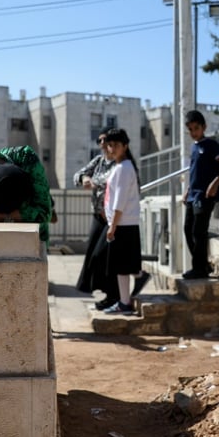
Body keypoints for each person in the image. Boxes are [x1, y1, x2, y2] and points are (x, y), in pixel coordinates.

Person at [96, 128, 148, 315]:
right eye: (109, 145)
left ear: (125, 146)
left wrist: (113, 226)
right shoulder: (120, 167)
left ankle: (124, 302)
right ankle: (126, 299)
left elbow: (120, 201)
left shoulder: (124, 168)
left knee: (121, 267)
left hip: (123, 223)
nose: (111, 149)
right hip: (122, 223)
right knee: (122, 266)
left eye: (116, 145)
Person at [74, 132, 118, 310]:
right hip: (97, 216)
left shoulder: (119, 165)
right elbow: (79, 174)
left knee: (105, 256)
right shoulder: (99, 161)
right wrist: (85, 179)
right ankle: (108, 293)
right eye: (99, 140)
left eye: (105, 140)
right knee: (93, 254)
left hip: (112, 217)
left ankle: (115, 294)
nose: (102, 143)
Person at [182, 109, 219, 279]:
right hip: (193, 195)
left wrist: (215, 183)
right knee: (188, 230)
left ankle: (199, 269)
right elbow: (194, 171)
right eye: (191, 129)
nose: (193, 132)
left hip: (206, 195)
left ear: (204, 127)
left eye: (196, 128)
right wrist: (187, 190)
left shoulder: (211, 145)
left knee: (198, 231)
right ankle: (204, 265)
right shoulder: (194, 148)